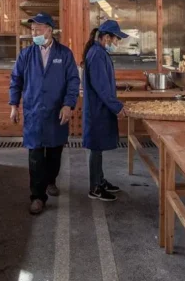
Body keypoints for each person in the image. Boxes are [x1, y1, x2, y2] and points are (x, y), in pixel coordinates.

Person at [9, 13, 80, 215]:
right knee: (35, 157)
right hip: (34, 112)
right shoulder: (26, 54)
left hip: (57, 113)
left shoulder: (64, 54)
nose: (34, 33)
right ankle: (37, 197)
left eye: (38, 29)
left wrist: (68, 105)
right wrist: (14, 105)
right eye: (32, 30)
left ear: (50, 30)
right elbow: (16, 80)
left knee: (55, 154)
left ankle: (51, 180)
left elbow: (73, 81)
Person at [82, 20, 129, 202]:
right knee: (96, 148)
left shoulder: (100, 52)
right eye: (116, 39)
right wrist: (117, 107)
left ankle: (100, 180)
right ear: (107, 37)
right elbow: (101, 87)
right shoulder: (96, 54)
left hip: (100, 108)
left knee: (98, 148)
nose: (117, 43)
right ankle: (95, 188)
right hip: (97, 110)